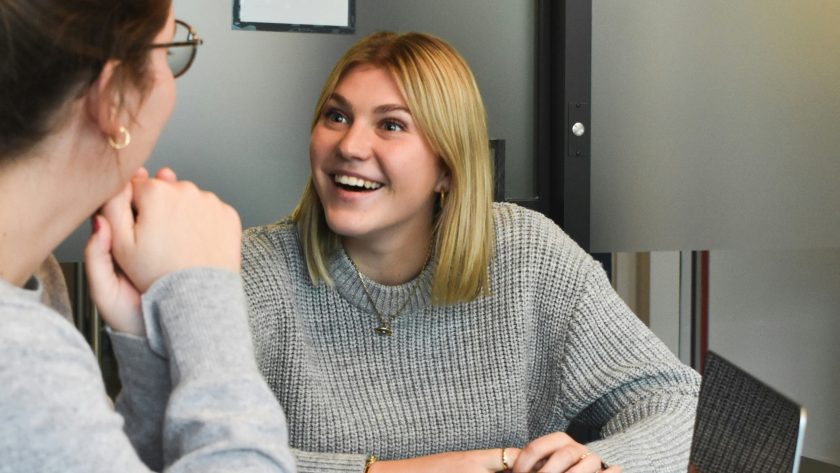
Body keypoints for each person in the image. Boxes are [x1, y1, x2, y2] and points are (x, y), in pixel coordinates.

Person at [0, 1, 295, 472]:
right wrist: (203, 293)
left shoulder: (38, 280)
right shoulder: (20, 355)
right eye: (169, 48)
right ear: (114, 96)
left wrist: (148, 359)